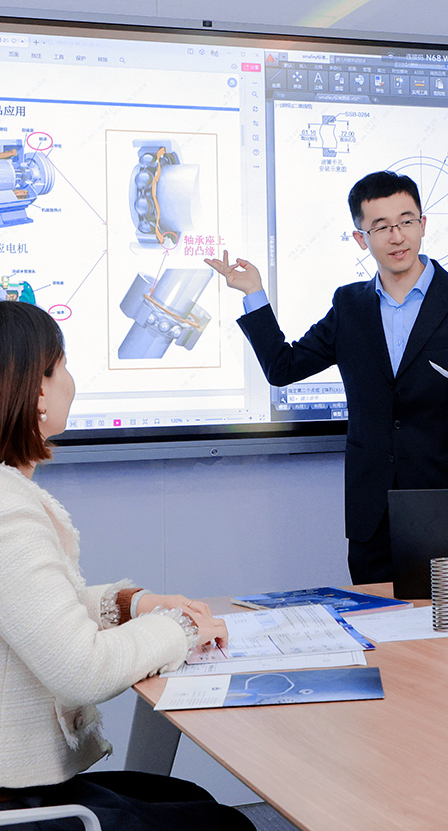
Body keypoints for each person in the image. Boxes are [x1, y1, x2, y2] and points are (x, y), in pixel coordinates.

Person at [0, 301, 254, 829]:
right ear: (37, 392)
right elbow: (81, 670)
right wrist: (182, 629)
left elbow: (27, 608)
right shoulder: (8, 511)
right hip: (15, 800)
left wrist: (131, 605)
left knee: (186, 797)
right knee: (224, 823)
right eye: (61, 366)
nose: (71, 381)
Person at [207, 170, 448, 584]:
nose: (397, 236)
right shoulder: (349, 305)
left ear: (423, 225)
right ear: (360, 238)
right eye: (381, 227)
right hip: (372, 512)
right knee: (375, 619)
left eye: (406, 221)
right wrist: (253, 293)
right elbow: (283, 367)